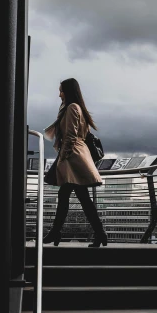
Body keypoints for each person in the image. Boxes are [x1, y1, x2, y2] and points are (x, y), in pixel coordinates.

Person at [43, 78, 107, 247]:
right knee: (75, 197)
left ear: (68, 91)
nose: (59, 94)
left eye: (61, 91)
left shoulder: (72, 107)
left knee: (70, 196)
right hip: (76, 154)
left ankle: (56, 233)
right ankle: (99, 234)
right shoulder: (75, 107)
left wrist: (63, 157)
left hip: (73, 156)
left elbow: (71, 136)